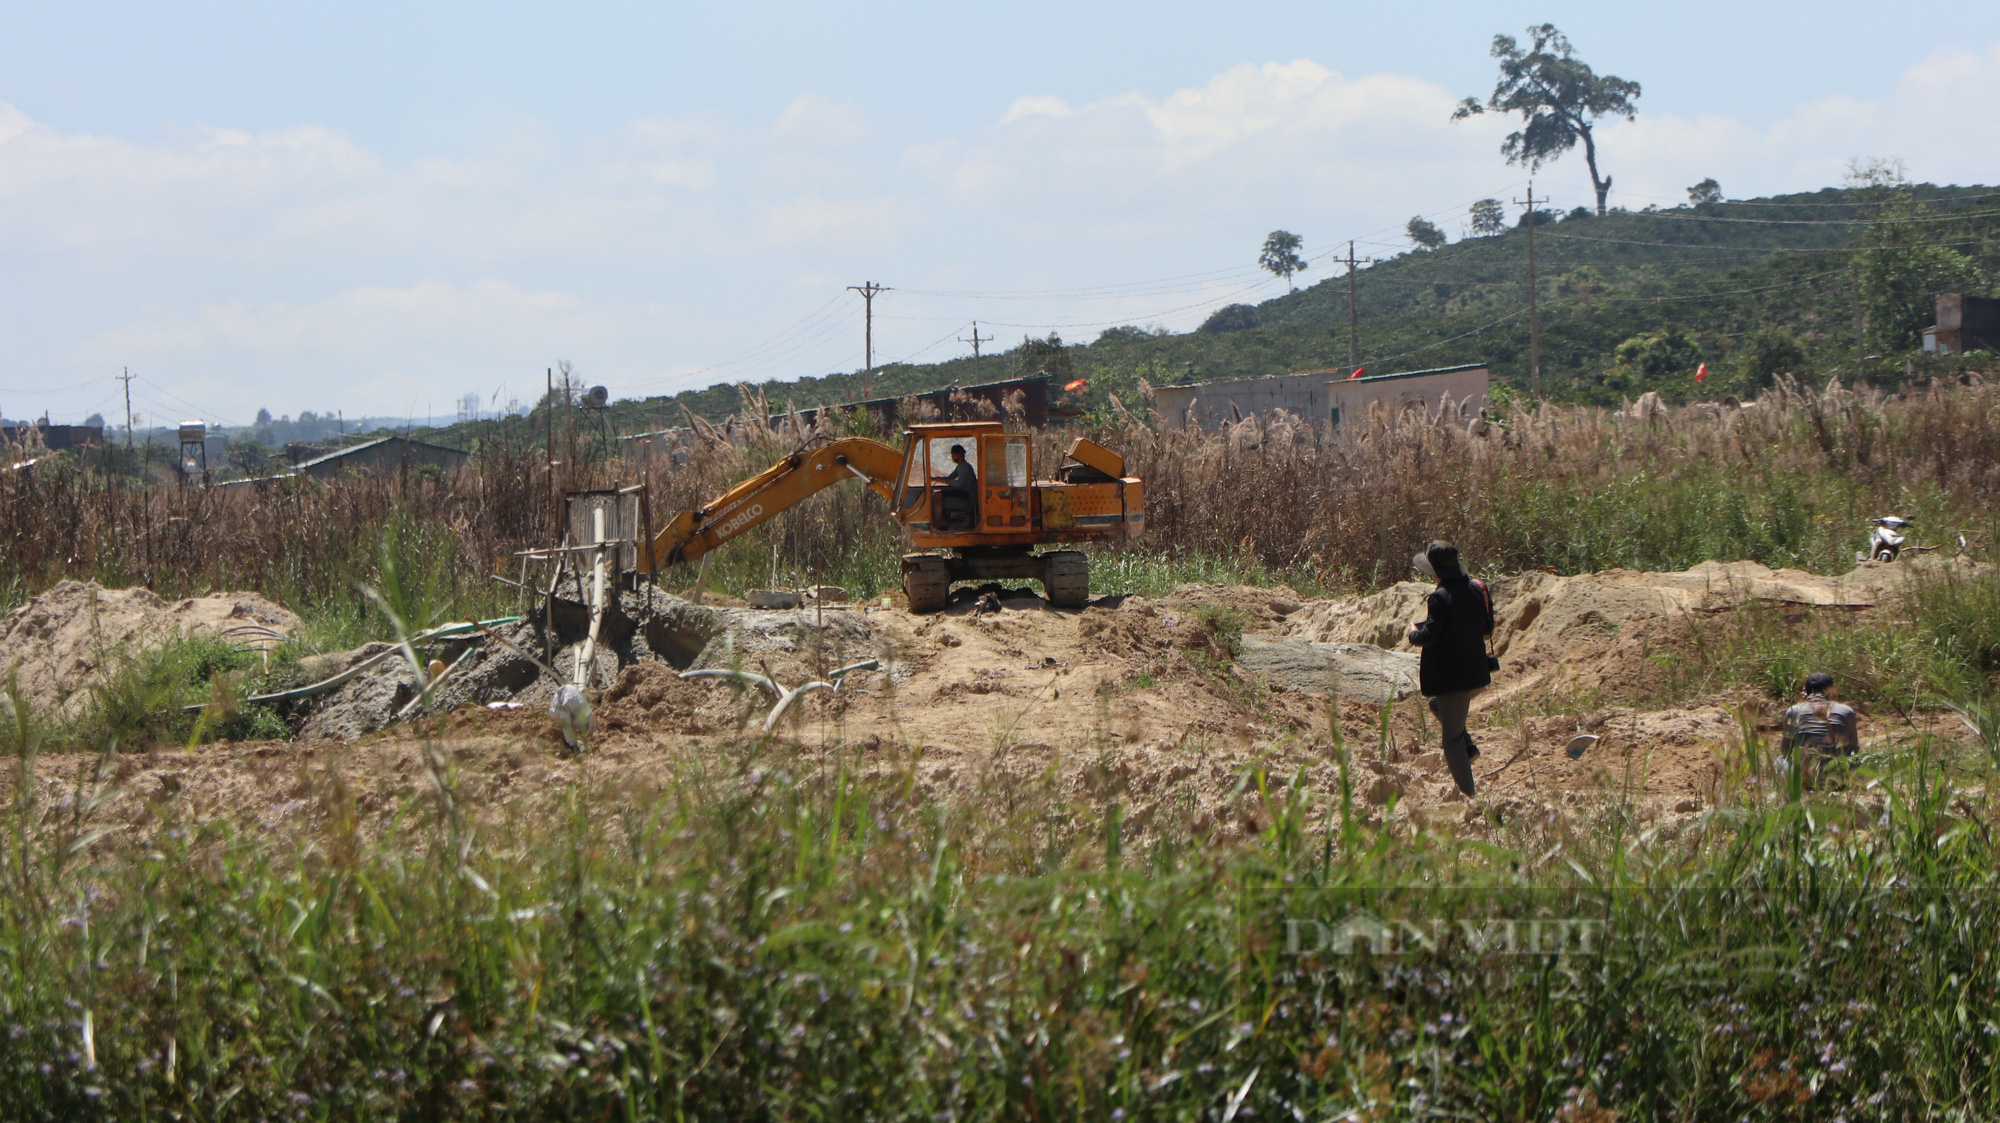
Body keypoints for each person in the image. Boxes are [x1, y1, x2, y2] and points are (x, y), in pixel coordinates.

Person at [1405, 541, 1496, 797]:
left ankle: (1470, 797)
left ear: (1435, 573)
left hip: (1455, 680)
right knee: (1437, 705)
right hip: (1477, 673)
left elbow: (1428, 637)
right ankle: (1468, 748)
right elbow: (1485, 627)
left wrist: (1413, 633)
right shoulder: (1474, 589)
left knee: (1450, 742)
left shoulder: (1439, 596)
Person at [1782, 672, 1860, 776]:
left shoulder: (1794, 711)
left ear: (1805, 691)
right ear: (1832, 691)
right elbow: (1854, 748)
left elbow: (1785, 751)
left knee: (1779, 762)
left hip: (1804, 775)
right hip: (1838, 775)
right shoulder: (1846, 711)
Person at [932, 443, 978, 529]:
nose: (952, 457)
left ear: (958, 454)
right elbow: (950, 478)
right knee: (936, 493)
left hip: (966, 493)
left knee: (937, 495)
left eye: (953, 454)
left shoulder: (965, 467)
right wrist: (936, 479)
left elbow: (959, 483)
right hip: (962, 491)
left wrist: (945, 481)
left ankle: (939, 520)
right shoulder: (960, 467)